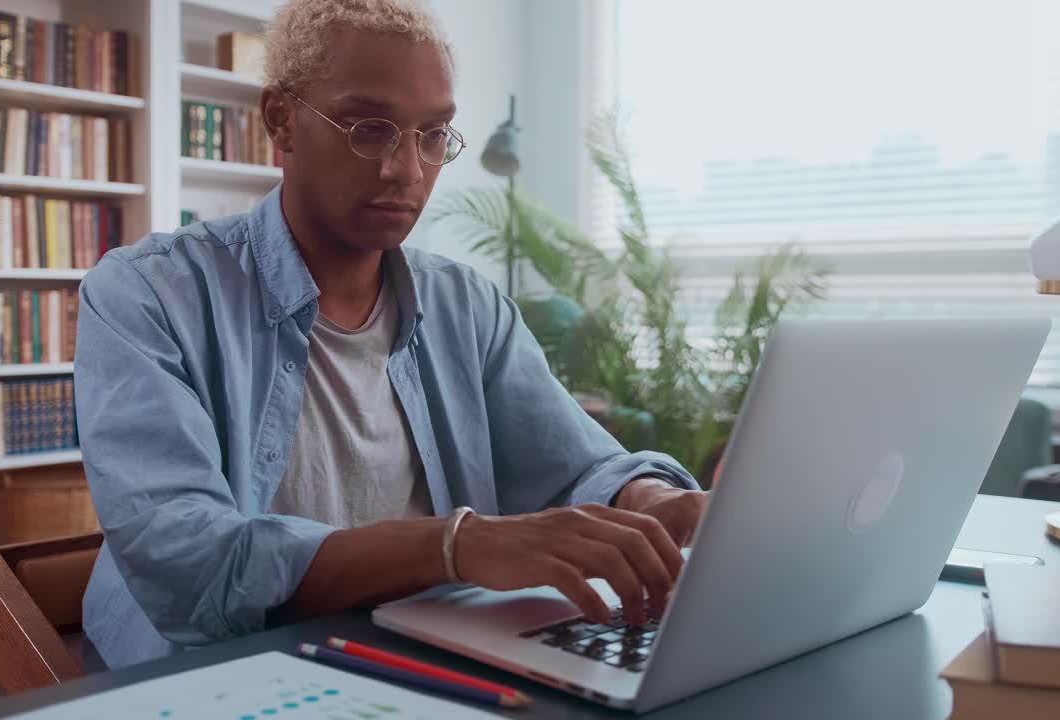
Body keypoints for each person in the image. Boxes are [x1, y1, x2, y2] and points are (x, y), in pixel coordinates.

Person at [74, 0, 708, 669]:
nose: (406, 170)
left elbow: (576, 469)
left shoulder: (467, 307)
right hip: (220, 675)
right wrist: (457, 546)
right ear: (280, 119)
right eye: (369, 129)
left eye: (432, 135)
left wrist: (652, 501)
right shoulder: (148, 294)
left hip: (428, 661)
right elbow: (192, 565)